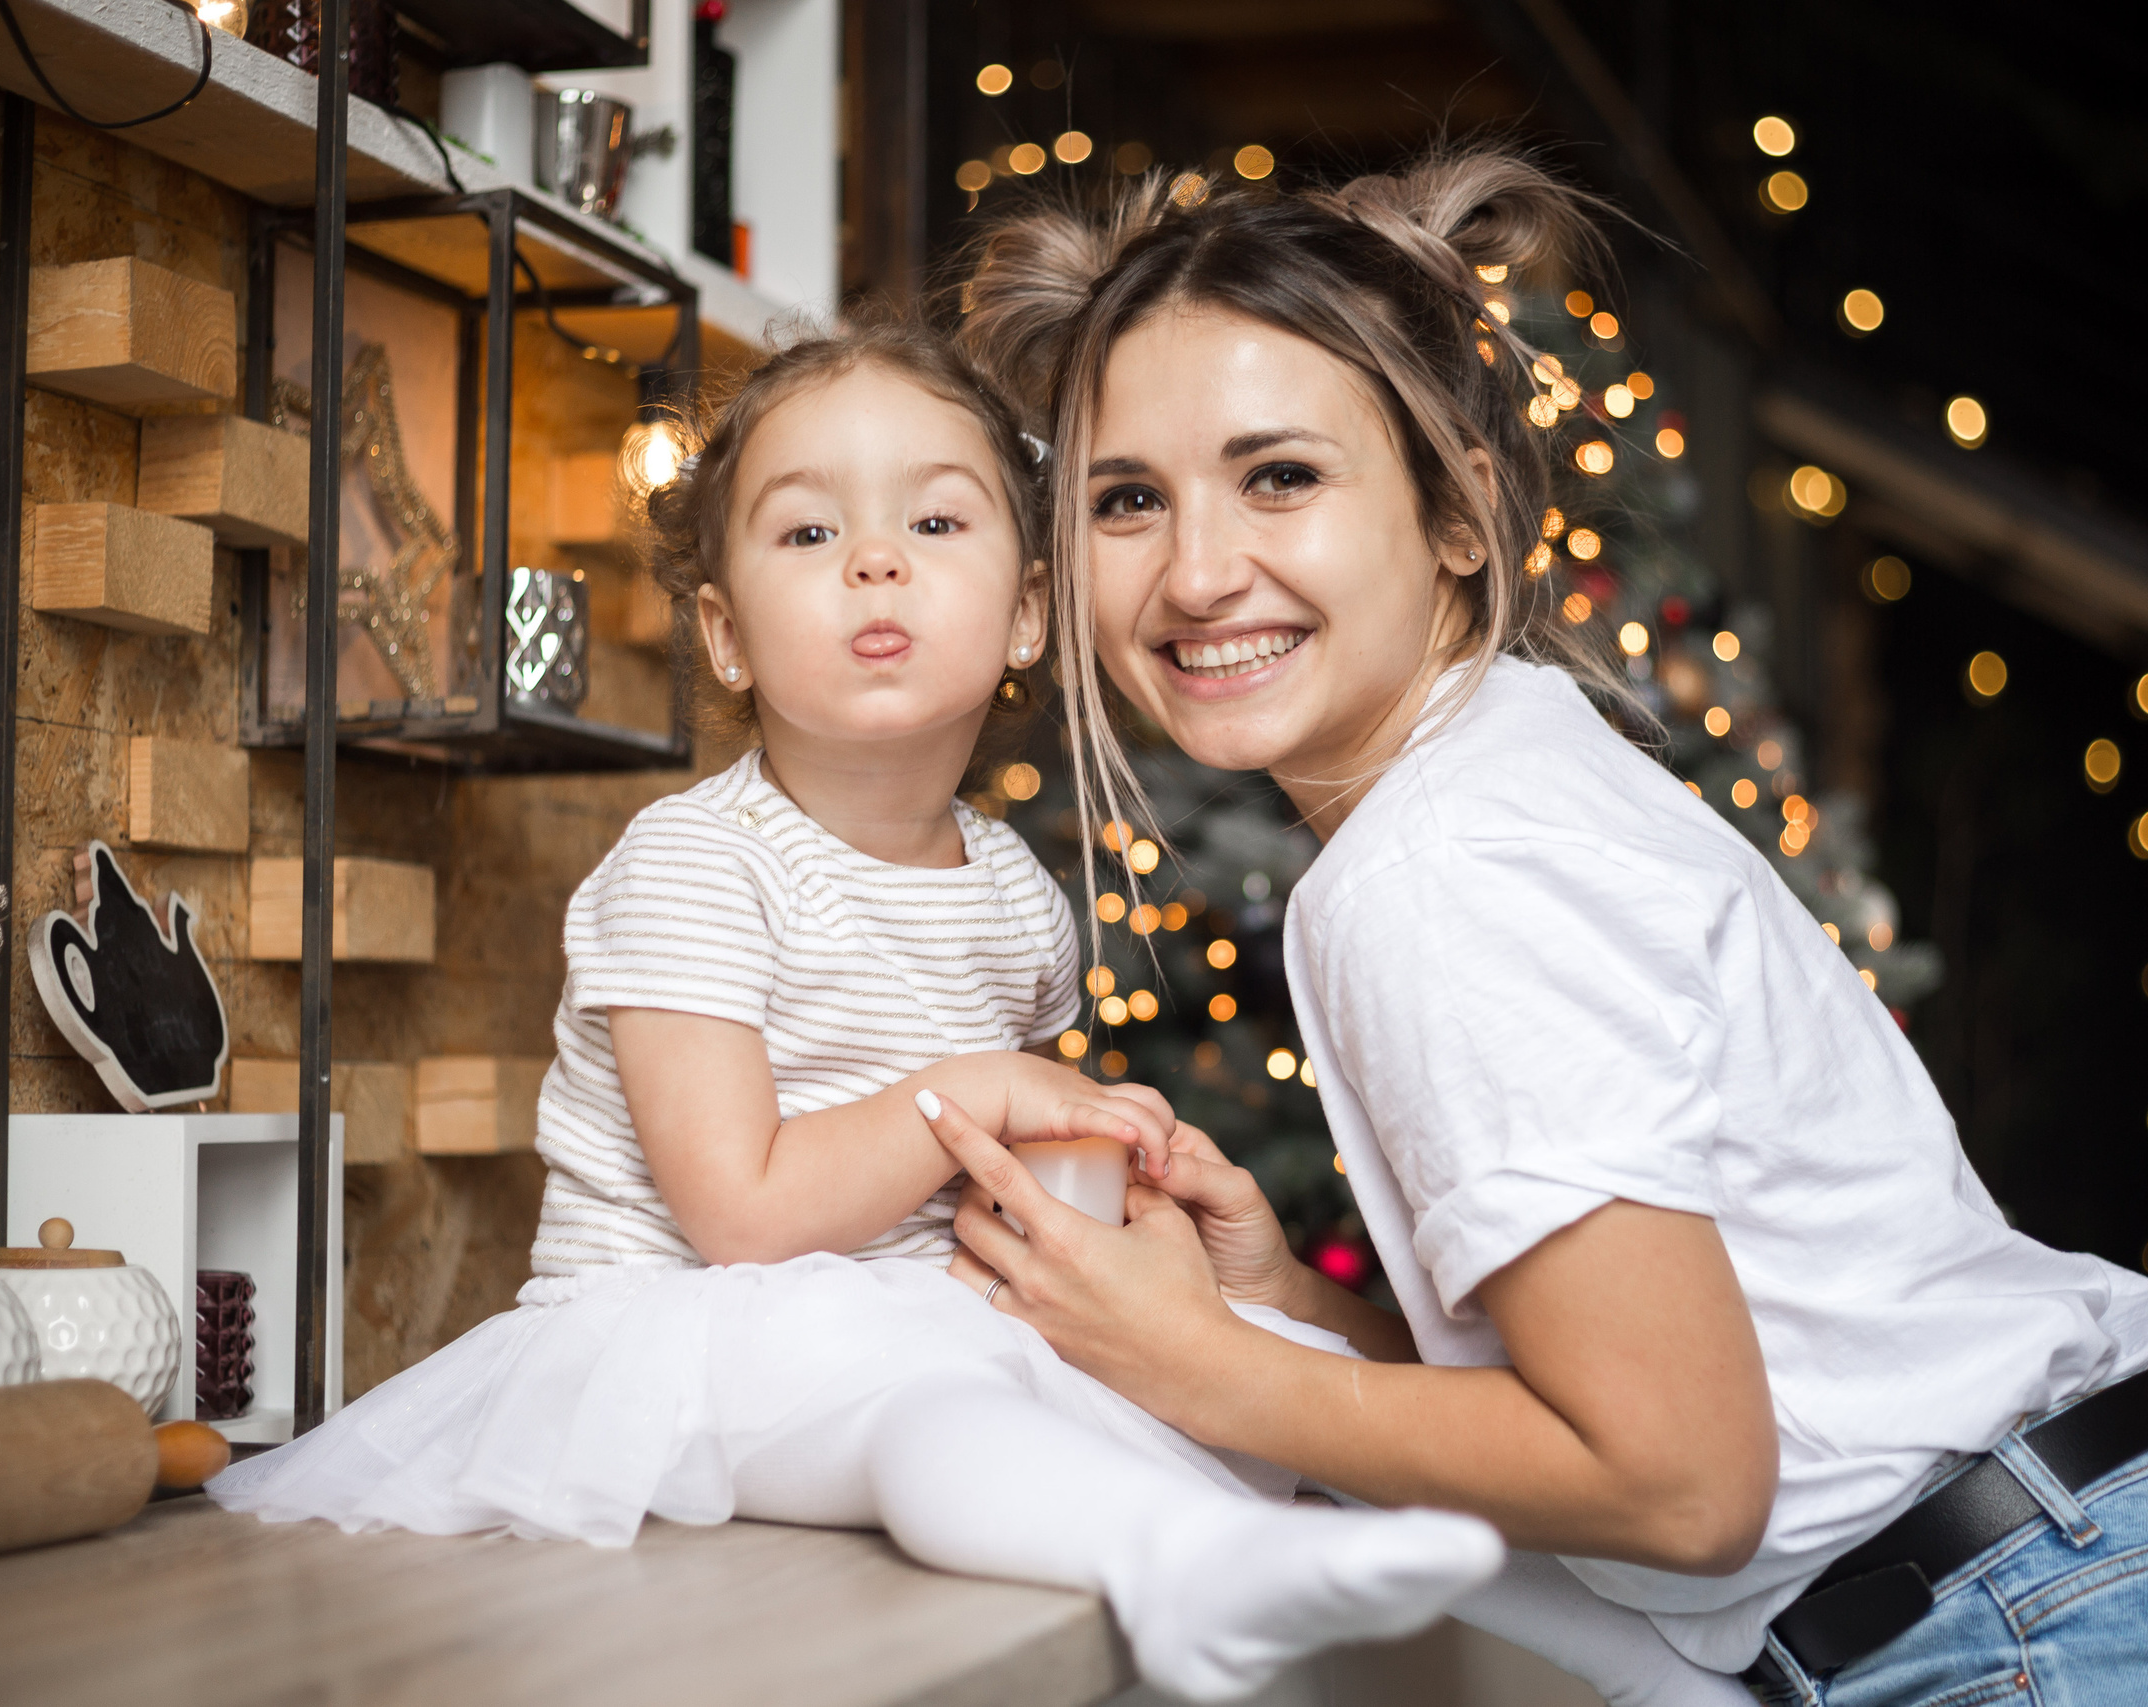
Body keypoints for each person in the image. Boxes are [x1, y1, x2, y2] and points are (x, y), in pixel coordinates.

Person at [926, 152, 2148, 1706]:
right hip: (2113, 1586)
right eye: (1127, 500)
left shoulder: (1443, 863)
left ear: (1460, 516)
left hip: (2047, 1642)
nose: (1197, 570)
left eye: (1279, 475)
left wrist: (1199, 1364)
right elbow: (1635, 1396)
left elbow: (1683, 1484)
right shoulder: (1514, 764)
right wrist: (1300, 1309)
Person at [207, 324, 1507, 1704]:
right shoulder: (695, 864)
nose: (874, 560)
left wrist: (1107, 1180)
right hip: (690, 1337)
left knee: (1194, 1357)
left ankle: (1362, 1544)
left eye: (936, 519)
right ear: (723, 634)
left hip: (912, 1305)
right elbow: (744, 1214)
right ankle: (1181, 1566)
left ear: (1024, 614)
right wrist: (991, 1092)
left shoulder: (1016, 899)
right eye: (810, 530)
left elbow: (988, 1180)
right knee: (925, 1408)